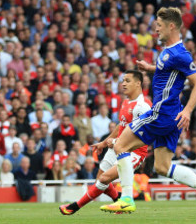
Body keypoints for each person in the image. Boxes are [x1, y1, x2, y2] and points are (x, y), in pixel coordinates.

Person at [101, 7, 196, 216]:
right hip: (170, 116)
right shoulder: (169, 51)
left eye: (158, 26)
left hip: (162, 113)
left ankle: (127, 198)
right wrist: (150, 68)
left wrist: (188, 111)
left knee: (120, 145)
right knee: (163, 167)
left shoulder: (181, 54)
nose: (155, 30)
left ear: (171, 26)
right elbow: (168, 71)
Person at [60, 70, 150, 215]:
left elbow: (143, 135)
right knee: (100, 181)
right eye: (123, 81)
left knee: (103, 179)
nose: (123, 84)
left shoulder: (142, 106)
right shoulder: (126, 102)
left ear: (138, 83)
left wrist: (116, 142)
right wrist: (103, 142)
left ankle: (74, 207)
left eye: (127, 81)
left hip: (133, 152)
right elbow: (121, 126)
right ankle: (119, 201)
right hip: (117, 147)